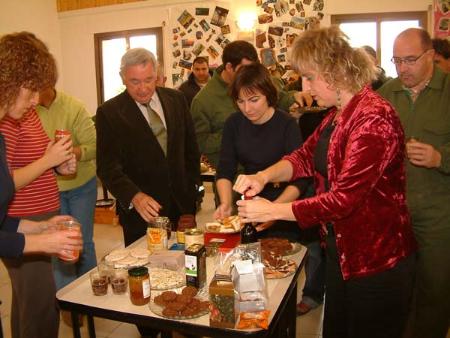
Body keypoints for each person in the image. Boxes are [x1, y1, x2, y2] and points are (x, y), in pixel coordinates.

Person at [234, 26, 416, 338]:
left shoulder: (373, 118)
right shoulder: (338, 114)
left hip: (376, 261)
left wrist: (274, 211)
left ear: (334, 72)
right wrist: (262, 176)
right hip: (342, 251)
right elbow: (303, 157)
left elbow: (344, 199)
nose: (304, 86)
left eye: (309, 76)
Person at [0, 31, 83, 338]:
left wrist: (36, 228)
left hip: (25, 221)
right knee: (39, 310)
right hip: (24, 216)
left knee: (28, 307)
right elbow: (9, 181)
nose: (37, 99)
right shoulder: (7, 123)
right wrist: (37, 240)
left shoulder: (22, 115)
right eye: (32, 90)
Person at [378, 28, 450, 338]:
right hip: (393, 213)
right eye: (396, 61)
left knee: (436, 288)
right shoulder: (385, 95)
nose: (402, 68)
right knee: (396, 288)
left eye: (410, 60)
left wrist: (441, 158)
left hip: (438, 214)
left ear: (431, 55)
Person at [96, 47, 199, 246]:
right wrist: (134, 196)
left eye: (149, 80)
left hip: (181, 207)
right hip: (141, 212)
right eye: (134, 81)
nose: (143, 88)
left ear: (157, 76)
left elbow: (191, 153)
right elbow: (107, 168)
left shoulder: (176, 100)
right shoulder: (109, 113)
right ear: (122, 78)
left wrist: (191, 203)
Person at [215, 63, 308, 241]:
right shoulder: (233, 123)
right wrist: (226, 203)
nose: (247, 109)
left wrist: (273, 211)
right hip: (250, 207)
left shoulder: (286, 124)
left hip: (284, 205)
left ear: (268, 95)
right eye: (240, 101)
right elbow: (225, 169)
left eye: (254, 100)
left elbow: (301, 180)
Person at [191, 40, 306, 169]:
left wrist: (294, 96)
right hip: (235, 176)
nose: (250, 73)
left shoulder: (255, 79)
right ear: (229, 67)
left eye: (253, 100)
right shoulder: (203, 101)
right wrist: (234, 132)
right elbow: (200, 142)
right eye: (240, 101)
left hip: (272, 171)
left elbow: (279, 97)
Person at [37, 87, 97, 294]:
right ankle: (67, 299)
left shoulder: (73, 106)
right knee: (59, 245)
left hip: (82, 185)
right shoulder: (26, 110)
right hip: (48, 188)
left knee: (83, 242)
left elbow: (94, 145)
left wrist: (71, 153)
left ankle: (90, 296)